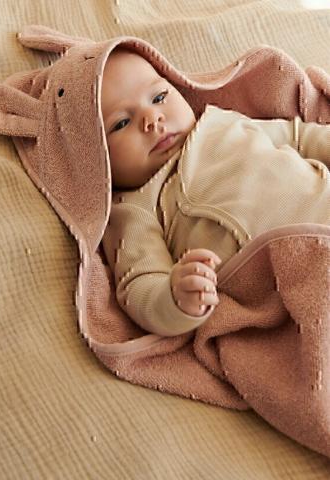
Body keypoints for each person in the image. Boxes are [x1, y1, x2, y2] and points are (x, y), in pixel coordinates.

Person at [100, 46, 330, 337]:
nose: (152, 118)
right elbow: (140, 285)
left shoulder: (222, 122)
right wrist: (175, 297)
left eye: (159, 97)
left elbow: (301, 138)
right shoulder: (135, 205)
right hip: (302, 276)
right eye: (121, 123)